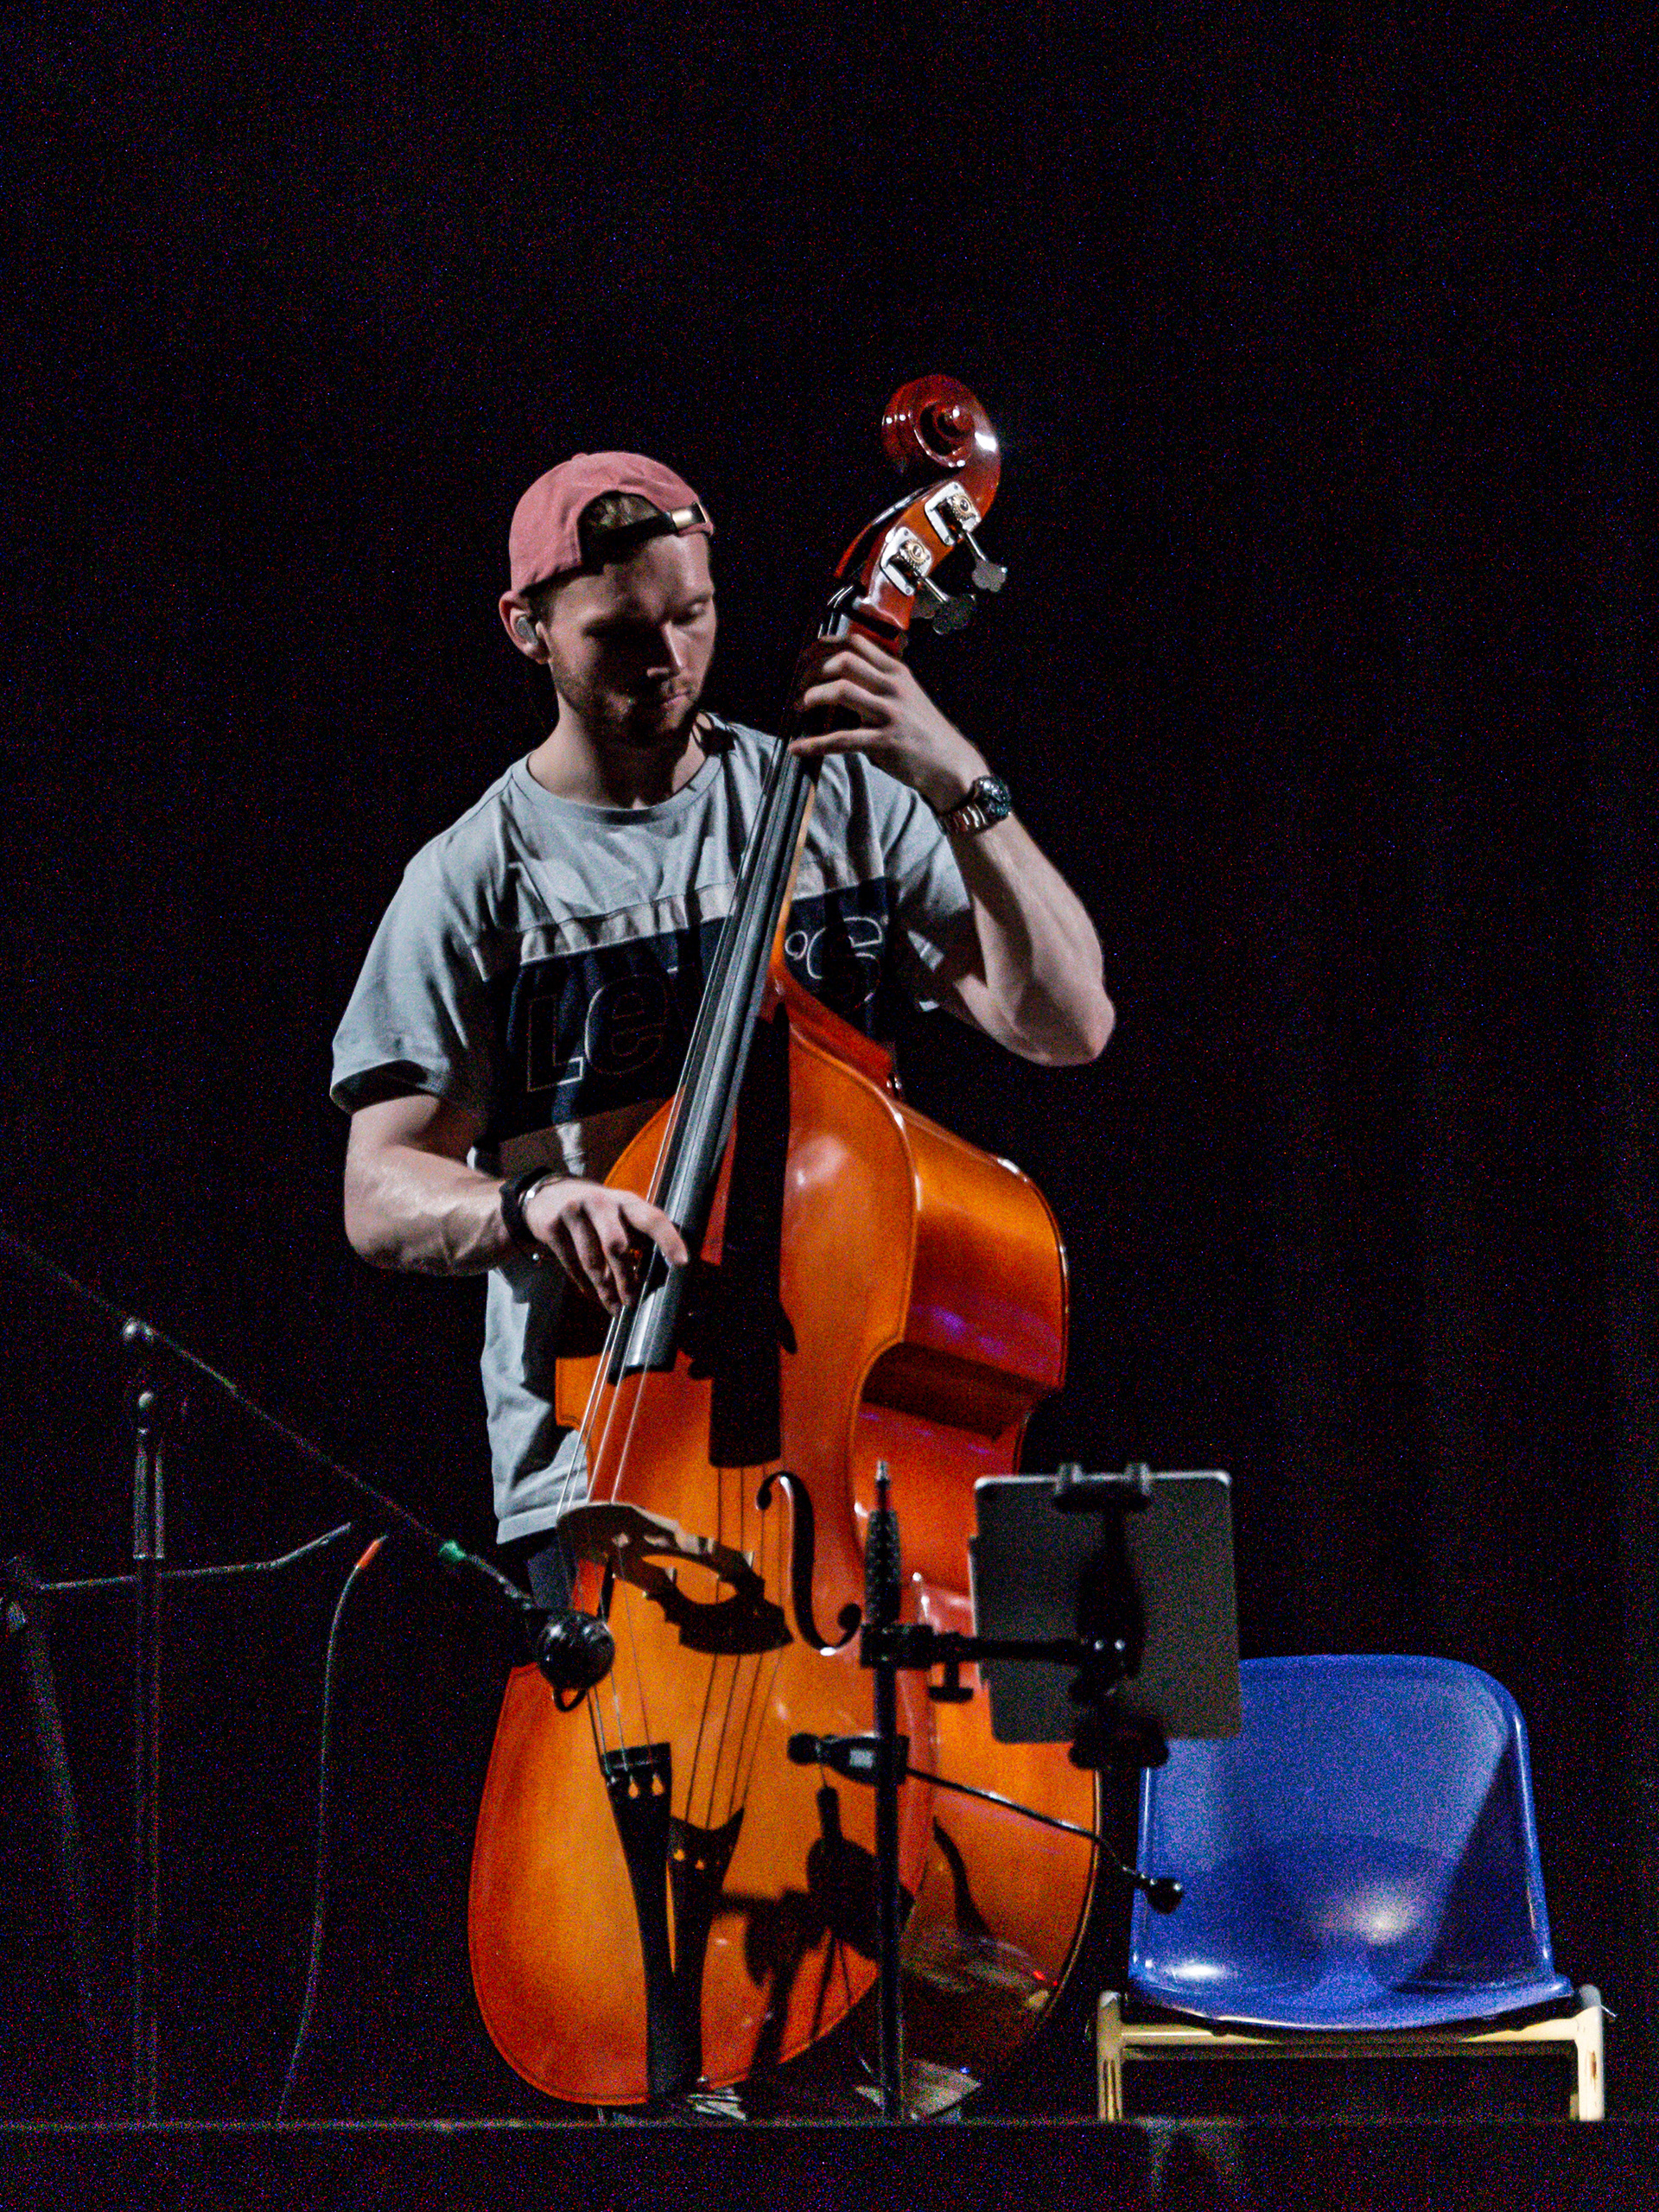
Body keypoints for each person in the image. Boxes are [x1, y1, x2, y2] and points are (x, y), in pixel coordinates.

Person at [331, 452, 1112, 1594]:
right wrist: (531, 1204)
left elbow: (1068, 1021)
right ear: (526, 627)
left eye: (691, 614)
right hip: (600, 1470)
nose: (668, 656)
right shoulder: (470, 882)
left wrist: (959, 779)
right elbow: (378, 1188)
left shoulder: (840, 805)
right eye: (619, 631)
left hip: (842, 1452)